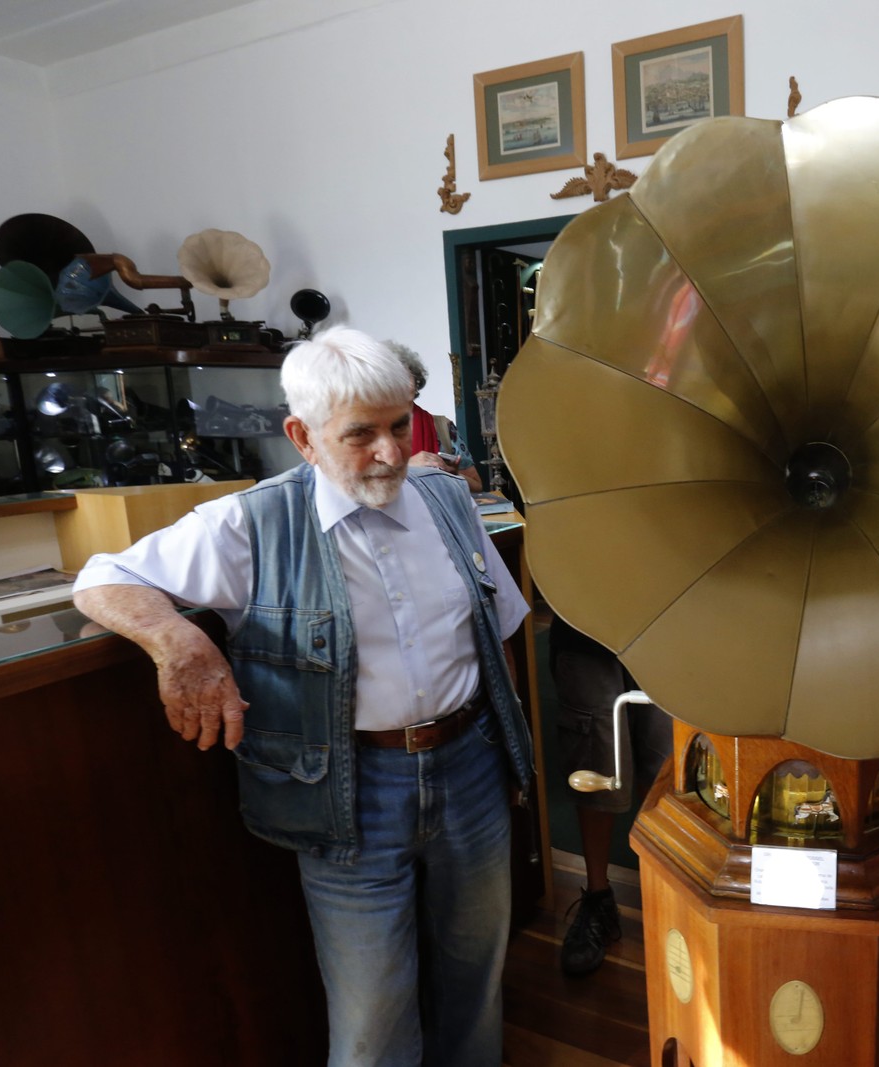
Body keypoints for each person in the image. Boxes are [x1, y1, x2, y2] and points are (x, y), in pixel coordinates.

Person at [72, 326, 533, 1067]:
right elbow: (101, 577)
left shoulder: (446, 499)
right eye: (361, 435)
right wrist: (181, 641)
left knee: (476, 975)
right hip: (348, 792)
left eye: (398, 425)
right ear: (302, 435)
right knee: (372, 1013)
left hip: (470, 765)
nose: (390, 453)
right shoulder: (253, 523)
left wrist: (512, 757)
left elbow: (499, 631)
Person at [550, 614, 671, 975]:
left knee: (669, 770)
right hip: (585, 620)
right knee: (595, 755)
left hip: (667, 619)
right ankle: (598, 897)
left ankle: (668, 905)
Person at [384, 339, 486, 493]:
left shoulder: (443, 427)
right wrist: (408, 468)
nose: (405, 384)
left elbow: (477, 486)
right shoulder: (370, 432)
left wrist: (452, 474)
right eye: (396, 378)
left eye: (409, 377)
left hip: (439, 514)